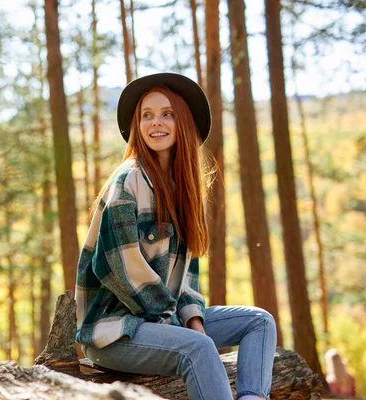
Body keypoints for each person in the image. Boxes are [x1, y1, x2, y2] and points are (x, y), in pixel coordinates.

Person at [74, 73, 277, 400]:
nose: (157, 123)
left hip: (161, 318)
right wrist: (179, 325)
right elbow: (116, 269)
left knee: (259, 322)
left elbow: (185, 278)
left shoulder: (182, 190)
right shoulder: (127, 183)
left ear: (183, 121)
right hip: (115, 332)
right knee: (198, 349)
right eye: (147, 115)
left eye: (167, 114)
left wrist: (193, 317)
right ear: (138, 126)